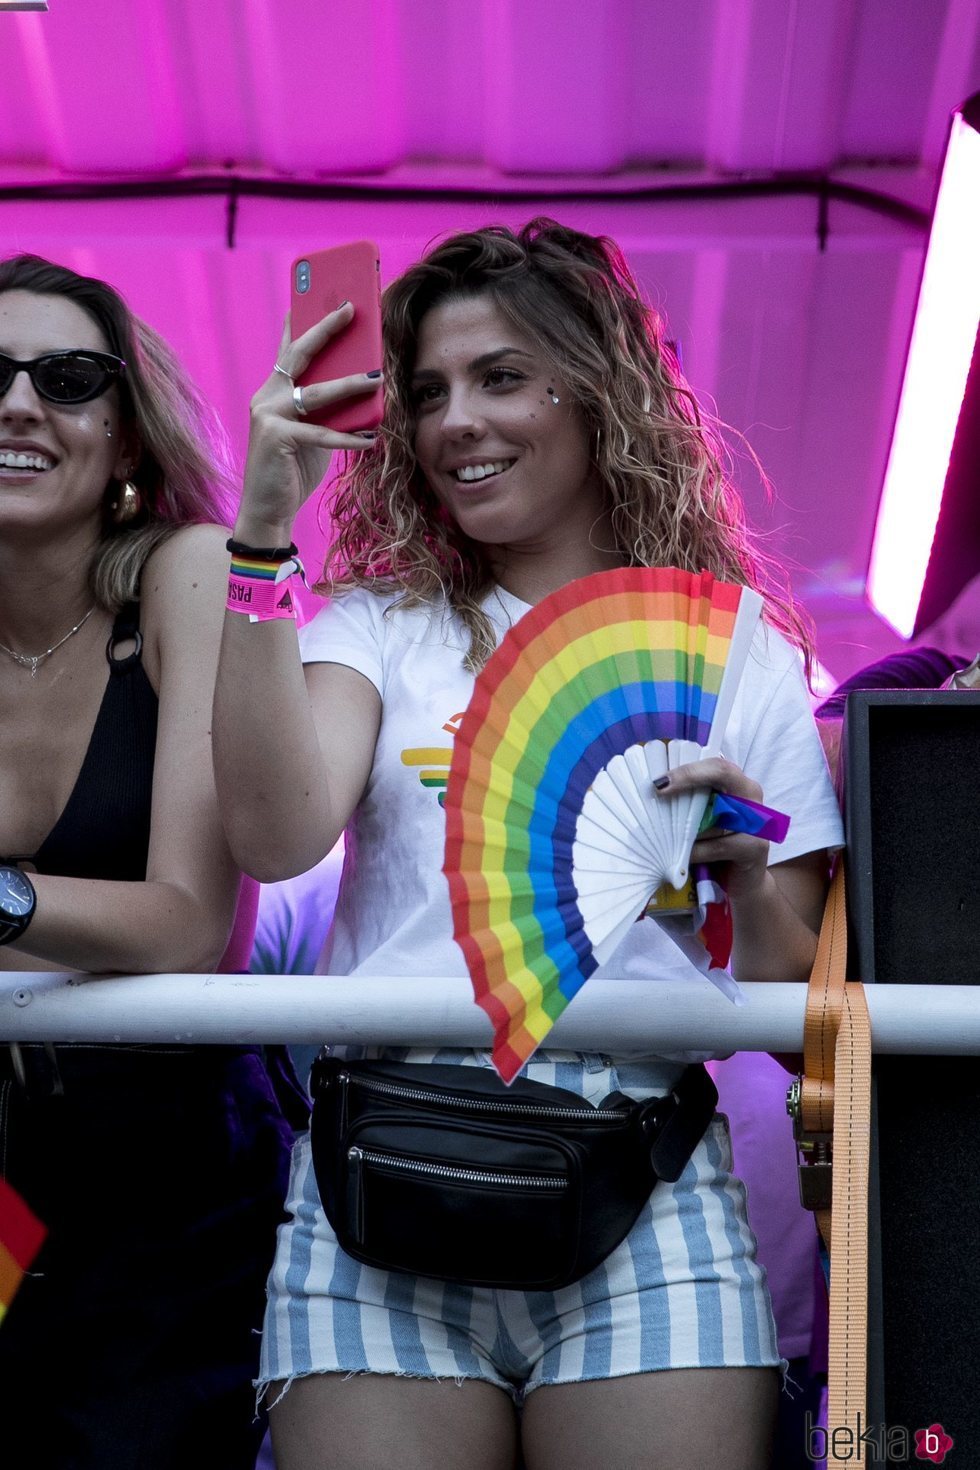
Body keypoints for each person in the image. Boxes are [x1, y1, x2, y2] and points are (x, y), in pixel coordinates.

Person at [213, 218, 845, 1470]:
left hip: (643, 1190)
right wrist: (261, 540)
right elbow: (274, 837)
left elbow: (783, 991)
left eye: (501, 377)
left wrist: (742, 859)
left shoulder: (739, 647)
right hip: (373, 1187)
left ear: (597, 392)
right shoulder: (374, 627)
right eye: (431, 391)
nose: (457, 421)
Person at [0, 255, 297, 1469]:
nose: (18, 405)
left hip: (162, 1177)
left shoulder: (185, 570)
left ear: (125, 440)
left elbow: (189, 925)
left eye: (67, 379)